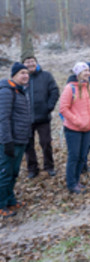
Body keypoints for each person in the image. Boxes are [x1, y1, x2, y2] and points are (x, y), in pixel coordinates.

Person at [59, 62, 90, 194]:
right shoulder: (70, 88)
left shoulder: (88, 86)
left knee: (82, 156)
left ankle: (77, 181)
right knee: (74, 156)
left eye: (88, 70)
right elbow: (63, 108)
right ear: (77, 73)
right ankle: (71, 184)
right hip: (73, 129)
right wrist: (78, 121)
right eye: (84, 71)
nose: (87, 73)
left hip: (88, 128)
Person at [0, 63, 30, 218]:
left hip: (20, 139)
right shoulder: (6, 91)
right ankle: (1, 204)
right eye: (22, 73)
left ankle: (10, 200)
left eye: (26, 73)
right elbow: (3, 118)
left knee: (14, 172)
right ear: (14, 75)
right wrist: (7, 141)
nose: (25, 75)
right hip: (9, 141)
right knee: (4, 173)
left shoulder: (20, 91)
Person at [22, 56, 59, 179]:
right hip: (26, 119)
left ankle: (49, 166)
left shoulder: (46, 76)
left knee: (46, 143)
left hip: (43, 117)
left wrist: (48, 107)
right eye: (27, 62)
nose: (30, 64)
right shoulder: (22, 78)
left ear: (36, 62)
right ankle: (32, 169)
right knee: (28, 145)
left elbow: (54, 91)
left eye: (32, 61)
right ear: (23, 64)